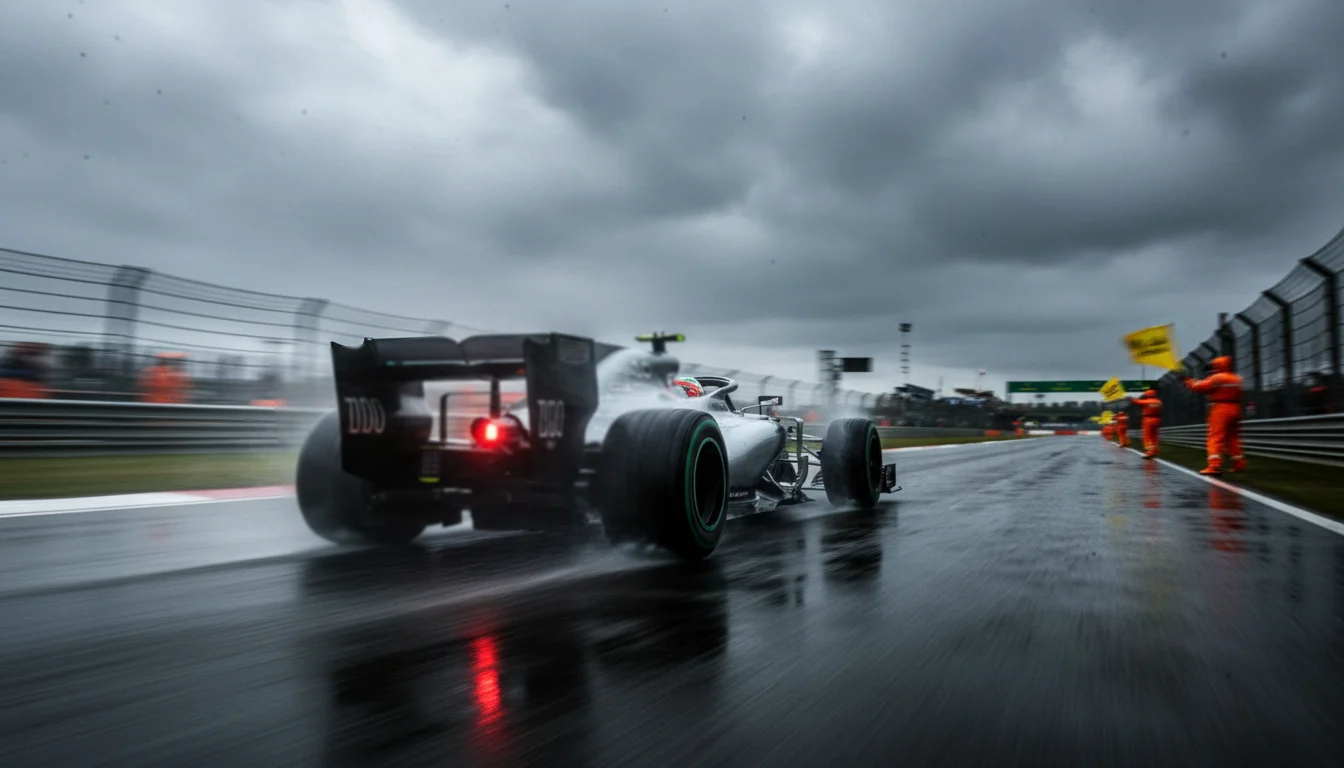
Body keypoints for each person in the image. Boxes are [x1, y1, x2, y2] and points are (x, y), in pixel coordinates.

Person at [1183, 356, 1245, 475]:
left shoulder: (1217, 378)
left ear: (1217, 366)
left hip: (1220, 408)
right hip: (1236, 407)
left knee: (1215, 437)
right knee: (1233, 438)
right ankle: (1239, 464)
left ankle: (1214, 466)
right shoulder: (1237, 379)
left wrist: (1188, 381)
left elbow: (1199, 387)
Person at [1131, 389, 1162, 459]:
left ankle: (1149, 452)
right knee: (1154, 436)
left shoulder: (1146, 402)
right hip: (1157, 419)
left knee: (1147, 436)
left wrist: (1131, 399)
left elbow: (1137, 401)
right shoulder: (1159, 402)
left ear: (1147, 395)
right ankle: (1155, 451)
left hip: (1148, 419)